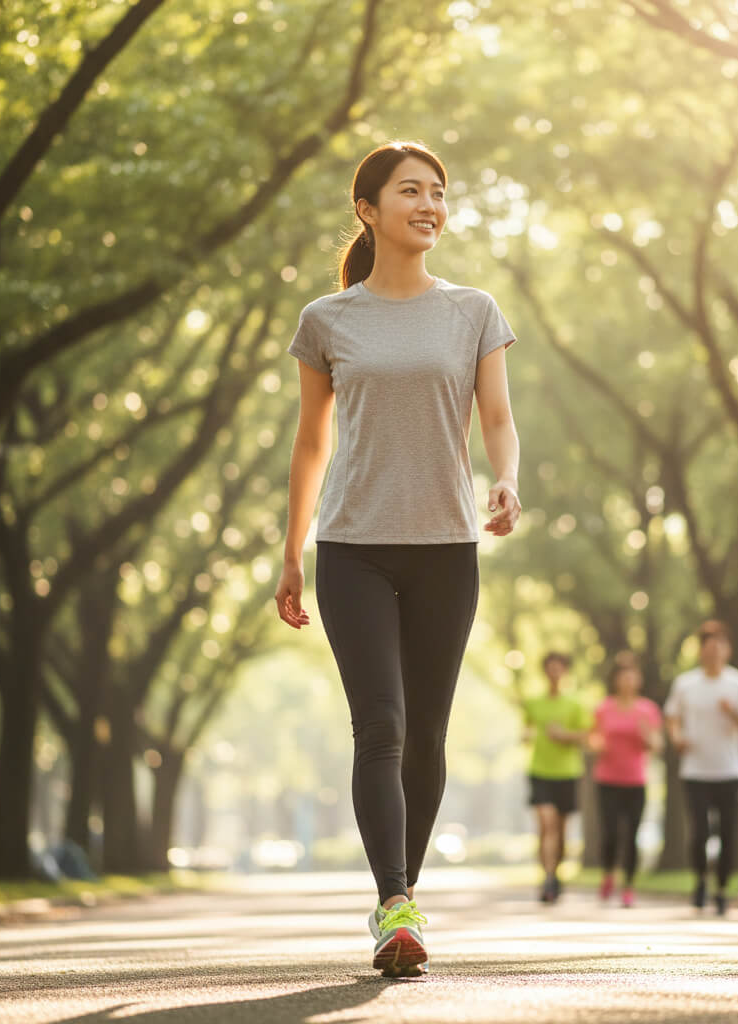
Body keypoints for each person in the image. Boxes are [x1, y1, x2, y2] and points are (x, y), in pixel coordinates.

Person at [274, 141, 521, 977]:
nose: (430, 205)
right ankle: (395, 902)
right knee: (380, 724)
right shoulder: (328, 319)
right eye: (410, 191)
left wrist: (507, 481)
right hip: (352, 549)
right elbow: (311, 444)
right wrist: (290, 554)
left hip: (446, 547)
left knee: (426, 738)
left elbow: (496, 416)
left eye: (438, 193)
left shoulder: (474, 310)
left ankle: (402, 893)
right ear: (368, 209)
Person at [664, 620, 738, 915]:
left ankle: (722, 888)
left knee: (729, 834)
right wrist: (677, 738)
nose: (714, 651)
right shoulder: (685, 684)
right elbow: (671, 717)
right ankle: (699, 881)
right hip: (695, 770)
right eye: (708, 646)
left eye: (719, 645)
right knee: (700, 831)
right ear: (700, 651)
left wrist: (732, 713)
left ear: (728, 650)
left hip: (730, 770)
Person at [589, 650, 663, 908]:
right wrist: (597, 745)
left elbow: (657, 746)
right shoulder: (604, 708)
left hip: (636, 781)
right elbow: (593, 739)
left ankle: (629, 886)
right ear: (616, 680)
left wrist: (646, 734)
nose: (628, 681)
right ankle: (608, 874)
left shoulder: (648, 709)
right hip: (607, 780)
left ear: (639, 679)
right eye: (623, 676)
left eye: (632, 676)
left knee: (632, 834)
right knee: (610, 833)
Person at [519, 652, 593, 903]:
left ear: (565, 672)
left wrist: (565, 735)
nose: (554, 673)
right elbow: (527, 727)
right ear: (544, 671)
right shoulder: (533, 702)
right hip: (539, 771)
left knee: (560, 830)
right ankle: (547, 878)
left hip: (568, 772)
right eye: (549, 668)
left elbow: (587, 737)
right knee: (546, 823)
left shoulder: (575, 703)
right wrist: (526, 736)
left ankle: (556, 873)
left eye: (558, 669)